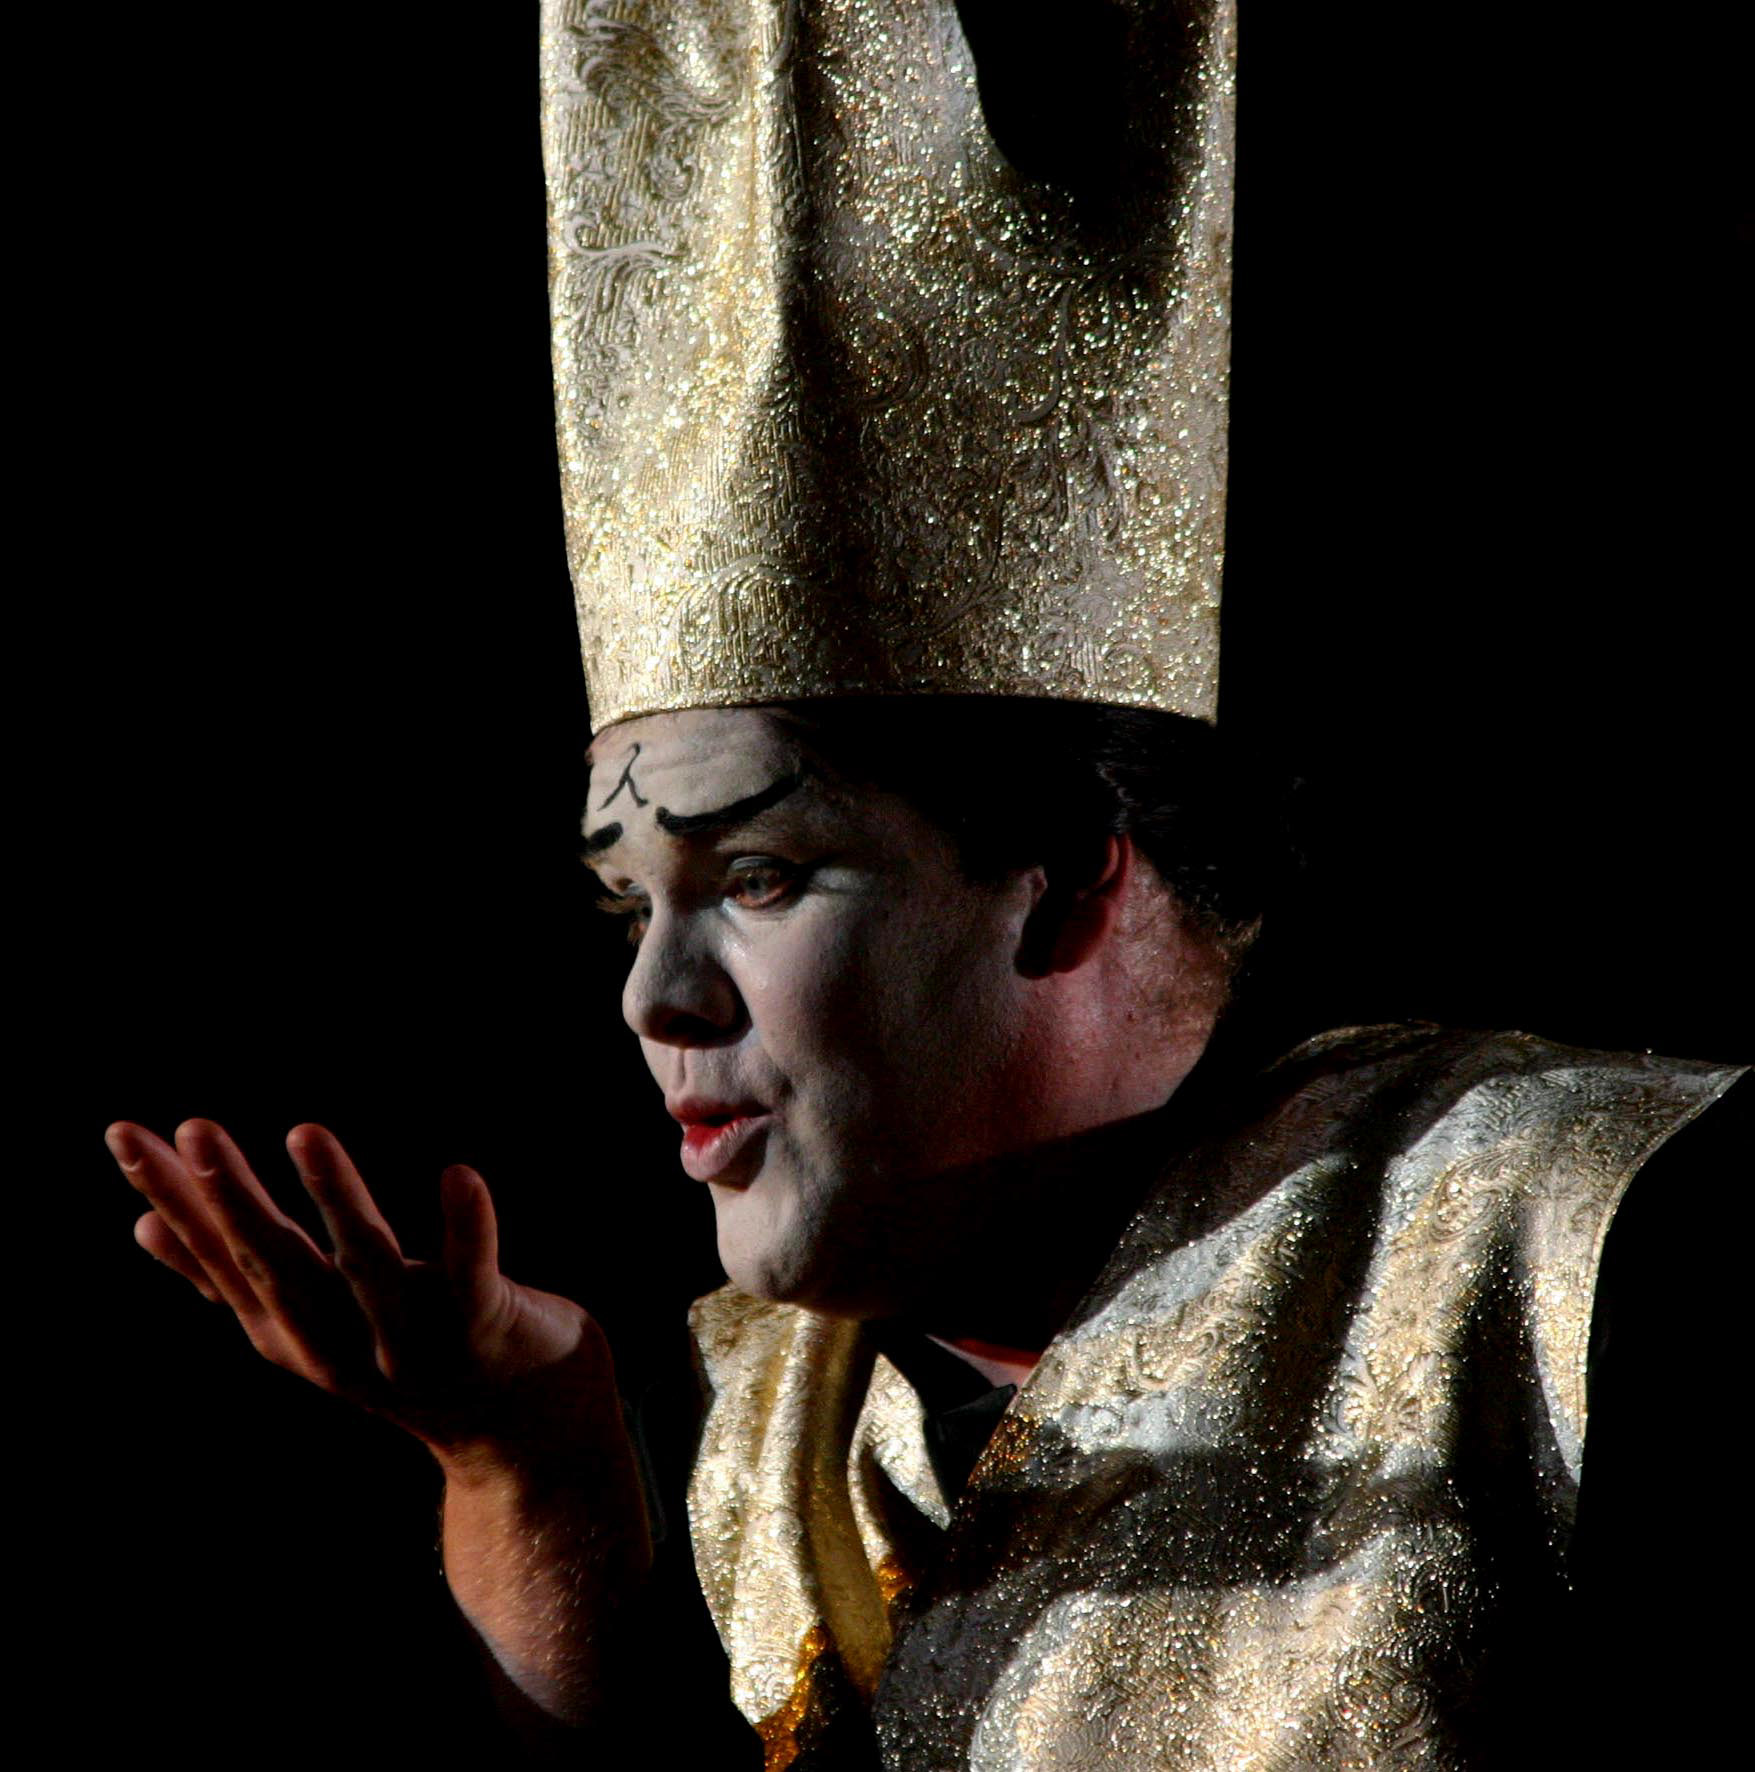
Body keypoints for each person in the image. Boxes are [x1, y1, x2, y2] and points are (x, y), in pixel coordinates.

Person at [106, 2, 1748, 1765]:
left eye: (758, 874)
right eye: (630, 905)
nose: (653, 997)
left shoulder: (1573, 1243)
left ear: (1064, 885)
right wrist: (529, 1461)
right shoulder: (766, 1415)